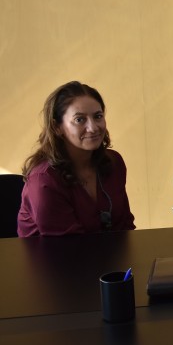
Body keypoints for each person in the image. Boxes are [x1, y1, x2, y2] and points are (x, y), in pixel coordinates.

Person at [17, 82, 135, 236]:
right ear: (57, 127)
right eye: (79, 120)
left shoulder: (114, 162)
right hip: (59, 252)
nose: (93, 127)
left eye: (98, 116)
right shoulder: (44, 180)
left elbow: (125, 227)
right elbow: (70, 246)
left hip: (105, 251)